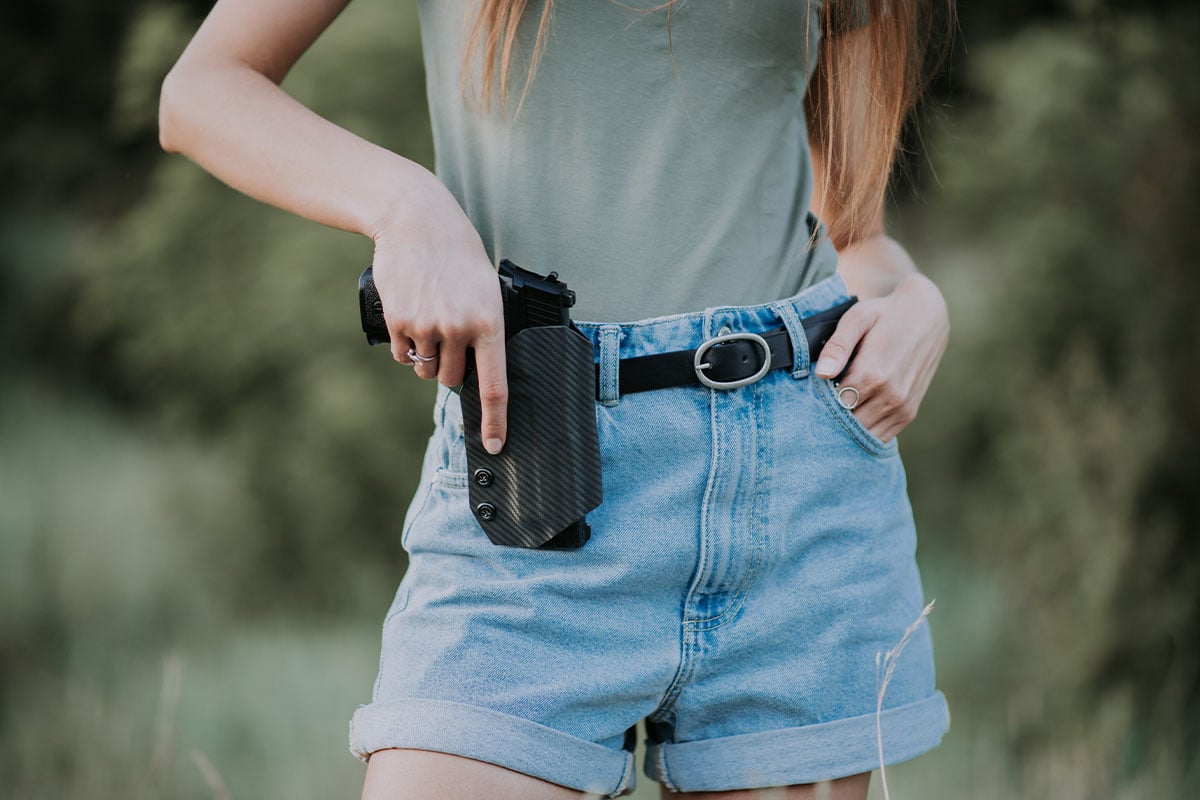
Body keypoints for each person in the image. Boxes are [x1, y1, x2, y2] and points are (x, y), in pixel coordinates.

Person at [159, 0, 954, 797]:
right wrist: (406, 205)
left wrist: (917, 301)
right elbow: (203, 89)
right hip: (536, 474)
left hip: (800, 482)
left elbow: (859, 238)